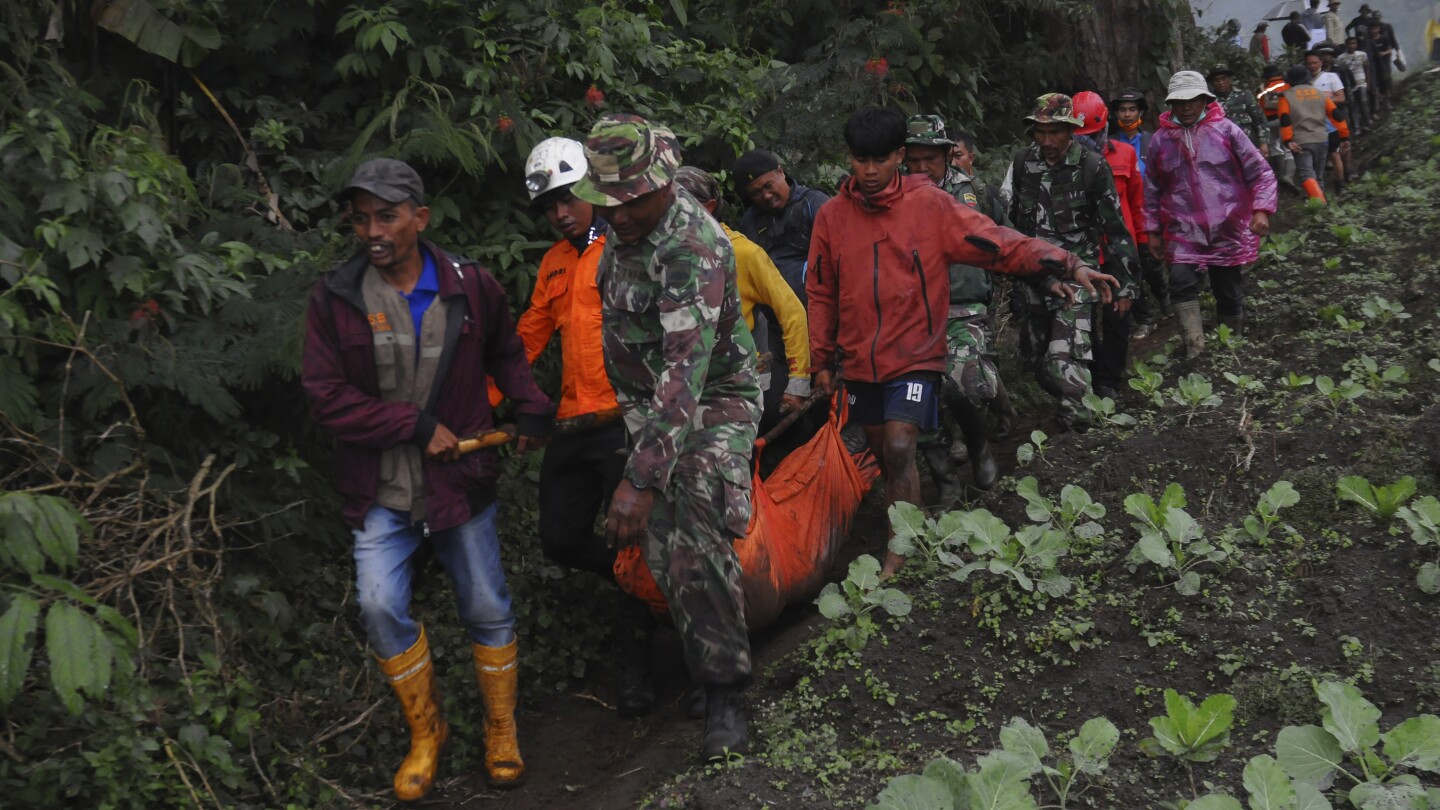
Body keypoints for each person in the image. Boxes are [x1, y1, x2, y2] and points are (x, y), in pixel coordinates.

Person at [302, 158, 552, 797]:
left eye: (386, 216)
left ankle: (502, 729)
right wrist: (411, 425)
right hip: (381, 485)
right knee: (380, 604)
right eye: (361, 220)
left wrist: (527, 404)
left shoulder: (470, 286)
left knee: (487, 606)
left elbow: (505, 350)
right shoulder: (337, 298)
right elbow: (326, 396)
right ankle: (427, 732)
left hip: (460, 481)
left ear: (421, 217)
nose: (372, 231)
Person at [807, 106, 1117, 576]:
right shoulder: (832, 218)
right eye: (859, 160)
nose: (869, 172)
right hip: (860, 360)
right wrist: (821, 359)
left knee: (898, 444)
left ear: (898, 157)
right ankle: (910, 520)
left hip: (913, 353)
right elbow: (821, 290)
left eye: (879, 160)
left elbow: (999, 242)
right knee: (885, 454)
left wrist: (1067, 263)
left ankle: (899, 551)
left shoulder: (930, 206)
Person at [571, 114, 761, 760]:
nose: (618, 214)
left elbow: (686, 373)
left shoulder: (692, 246)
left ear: (663, 183)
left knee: (696, 524)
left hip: (711, 403)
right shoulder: (624, 234)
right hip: (650, 412)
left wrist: (641, 476)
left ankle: (728, 693)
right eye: (608, 201)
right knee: (658, 549)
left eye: (631, 199)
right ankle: (701, 657)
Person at [512, 137, 664, 718]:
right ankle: (653, 592)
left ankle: (639, 670)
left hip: (623, 422)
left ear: (592, 192)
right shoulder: (553, 263)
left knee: (626, 543)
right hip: (573, 422)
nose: (560, 212)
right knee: (561, 537)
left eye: (567, 199)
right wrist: (488, 399)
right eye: (549, 205)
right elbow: (527, 338)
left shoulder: (626, 250)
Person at [1007, 93, 1138, 422]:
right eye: (1040, 132)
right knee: (1036, 361)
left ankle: (1080, 431)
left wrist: (1125, 285)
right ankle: (1085, 397)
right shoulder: (1023, 164)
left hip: (1078, 276)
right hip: (1035, 276)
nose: (1047, 140)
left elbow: (1116, 229)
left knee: (1063, 356)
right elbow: (1011, 226)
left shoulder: (1092, 166)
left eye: (1055, 132)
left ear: (1070, 130)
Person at [902, 114, 1011, 496]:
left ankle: (980, 447)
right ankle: (945, 482)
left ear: (947, 155)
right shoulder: (894, 195)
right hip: (911, 310)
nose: (920, 168)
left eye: (928, 159)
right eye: (912, 160)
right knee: (919, 397)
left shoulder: (971, 191)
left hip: (962, 303)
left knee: (962, 384)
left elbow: (1002, 237)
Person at [1143, 71, 1278, 357]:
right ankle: (1195, 348)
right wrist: (1151, 230)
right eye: (1180, 102)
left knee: (1226, 287)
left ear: (1205, 100)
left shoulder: (1227, 130)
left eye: (1193, 100)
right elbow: (1152, 187)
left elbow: (1260, 172)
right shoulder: (1160, 140)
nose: (1187, 107)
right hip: (1182, 229)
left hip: (1227, 225)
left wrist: (1262, 210)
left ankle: (1231, 343)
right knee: (1180, 282)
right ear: (1171, 105)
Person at [671, 165, 811, 420]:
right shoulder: (662, 253)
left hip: (733, 387)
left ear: (709, 206)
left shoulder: (743, 253)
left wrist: (797, 382)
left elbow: (792, 313)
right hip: (678, 387)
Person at [1072, 91, 1146, 393]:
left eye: (1092, 134)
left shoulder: (1125, 155)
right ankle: (1093, 375)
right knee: (1084, 321)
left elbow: (1136, 202)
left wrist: (1142, 241)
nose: (1087, 142)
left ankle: (1109, 381)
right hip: (1083, 253)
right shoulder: (1066, 163)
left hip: (1118, 251)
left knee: (1118, 317)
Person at [1278, 64, 1351, 202]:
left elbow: (1285, 119)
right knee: (1318, 175)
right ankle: (1320, 203)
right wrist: (1344, 136)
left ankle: (1319, 205)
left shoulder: (1285, 96)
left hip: (1300, 141)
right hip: (1321, 139)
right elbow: (1336, 115)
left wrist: (1288, 140)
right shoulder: (1320, 94)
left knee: (1307, 175)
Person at [1306, 49, 1349, 192]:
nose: (1312, 66)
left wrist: (1323, 100)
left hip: (1331, 122)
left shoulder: (1331, 77)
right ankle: (1318, 188)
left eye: (1315, 62)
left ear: (1321, 62)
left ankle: (1340, 184)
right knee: (1315, 158)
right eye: (1309, 63)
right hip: (1311, 124)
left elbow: (1341, 97)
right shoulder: (1304, 81)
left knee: (1334, 154)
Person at [1208, 64, 1270, 153]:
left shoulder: (1244, 96)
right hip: (1224, 151)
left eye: (1223, 78)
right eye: (1216, 80)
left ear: (1229, 79)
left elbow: (1259, 120)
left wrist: (1264, 143)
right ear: (1212, 83)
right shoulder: (1209, 102)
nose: (1221, 82)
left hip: (1249, 147)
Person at [1258, 64, 1299, 191]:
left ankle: (1280, 175)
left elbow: (1259, 104)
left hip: (1268, 121)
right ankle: (1288, 176)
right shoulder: (1288, 85)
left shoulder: (1262, 88)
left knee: (1275, 148)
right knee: (1288, 149)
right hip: (1284, 119)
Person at [1336, 36, 1373, 134]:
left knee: (1364, 101)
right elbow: (1340, 74)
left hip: (1362, 82)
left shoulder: (1362, 55)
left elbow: (1367, 68)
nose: (1352, 46)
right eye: (1350, 44)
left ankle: (1366, 123)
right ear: (1346, 45)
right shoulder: (1341, 58)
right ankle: (1357, 127)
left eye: (1354, 43)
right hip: (1349, 85)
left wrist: (1368, 82)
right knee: (1353, 105)